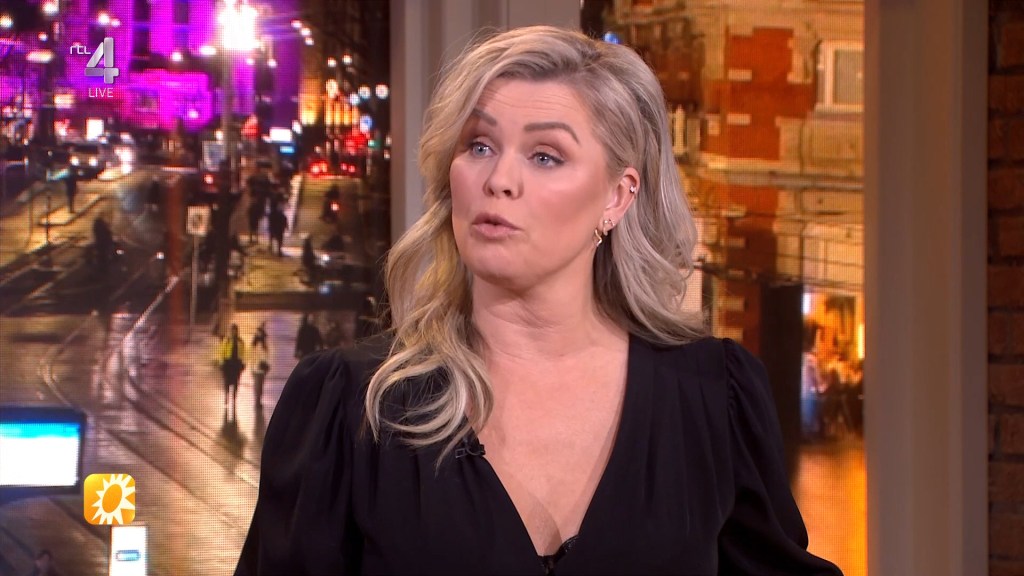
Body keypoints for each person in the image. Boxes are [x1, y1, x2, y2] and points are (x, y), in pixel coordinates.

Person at [236, 26, 842, 575]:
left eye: (545, 155)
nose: (499, 180)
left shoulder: (713, 396)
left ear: (617, 196)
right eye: (479, 146)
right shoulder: (351, 406)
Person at [217, 323, 246, 421]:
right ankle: (227, 396)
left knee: (236, 382)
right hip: (228, 364)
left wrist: (243, 363)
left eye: (235, 330)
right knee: (227, 382)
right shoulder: (227, 340)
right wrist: (221, 363)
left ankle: (234, 398)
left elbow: (243, 353)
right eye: (232, 330)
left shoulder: (240, 342)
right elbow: (222, 352)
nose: (233, 332)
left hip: (236, 365)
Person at [249, 324, 270, 410]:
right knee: (258, 386)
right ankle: (257, 401)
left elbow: (266, 356)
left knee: (259, 386)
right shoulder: (259, 345)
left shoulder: (260, 345)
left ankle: (258, 401)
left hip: (259, 369)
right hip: (258, 369)